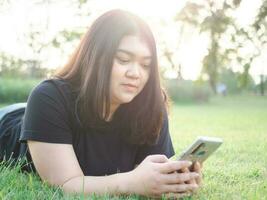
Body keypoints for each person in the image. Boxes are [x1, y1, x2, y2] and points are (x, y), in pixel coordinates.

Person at [1, 9, 202, 198]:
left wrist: (175, 179)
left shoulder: (150, 105)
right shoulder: (48, 97)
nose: (135, 73)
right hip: (10, 120)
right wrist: (132, 182)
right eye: (123, 60)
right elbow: (65, 184)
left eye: (145, 65)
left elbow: (151, 172)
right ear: (96, 57)